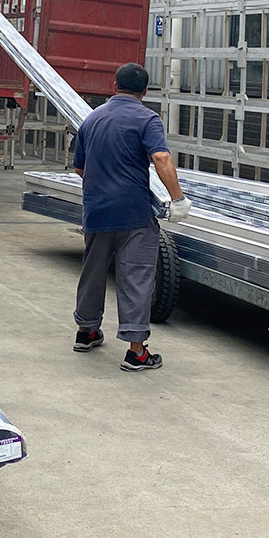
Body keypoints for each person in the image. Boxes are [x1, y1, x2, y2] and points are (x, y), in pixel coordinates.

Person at [71, 63, 192, 371]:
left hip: (97, 210)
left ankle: (86, 331)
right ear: (145, 91)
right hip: (133, 212)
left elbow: (80, 168)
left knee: (92, 271)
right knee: (136, 276)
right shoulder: (147, 119)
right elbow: (161, 157)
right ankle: (136, 351)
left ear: (114, 85)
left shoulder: (92, 119)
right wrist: (177, 198)